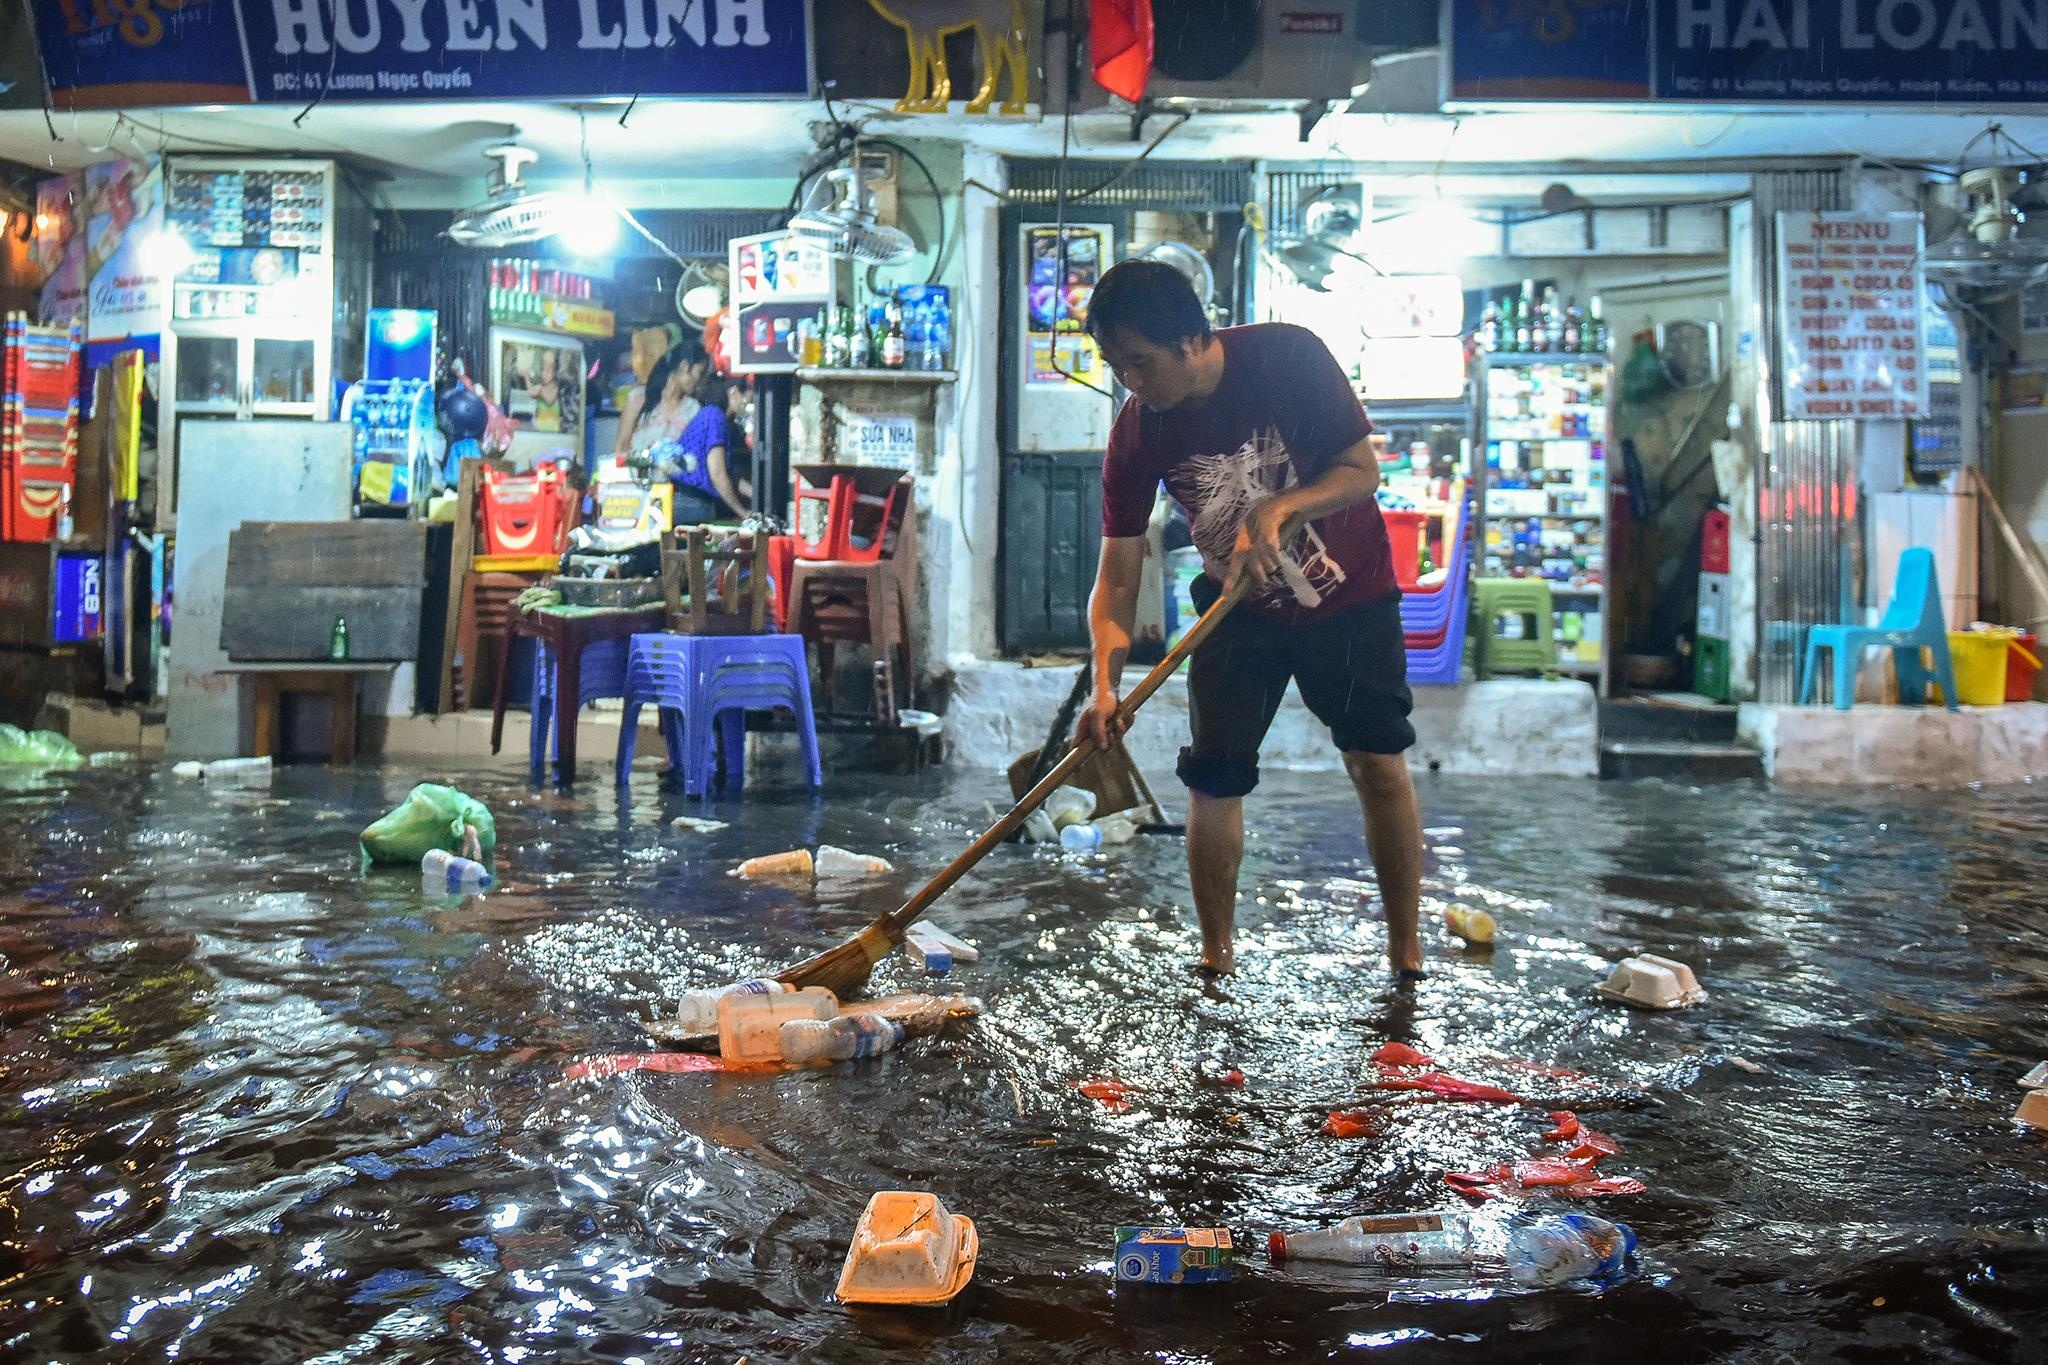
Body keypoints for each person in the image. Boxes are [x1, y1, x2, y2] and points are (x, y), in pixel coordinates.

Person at [1074, 259, 1425, 983]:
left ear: (1193, 340)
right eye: (1116, 366)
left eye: (1139, 363)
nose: (1129, 383)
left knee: (1377, 763)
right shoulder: (1138, 434)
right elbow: (1117, 574)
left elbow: (1362, 470)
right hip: (1236, 609)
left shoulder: (1288, 357)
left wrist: (1278, 508)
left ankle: (1406, 952)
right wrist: (1104, 684)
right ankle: (1215, 956)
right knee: (1214, 775)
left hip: (1350, 596)